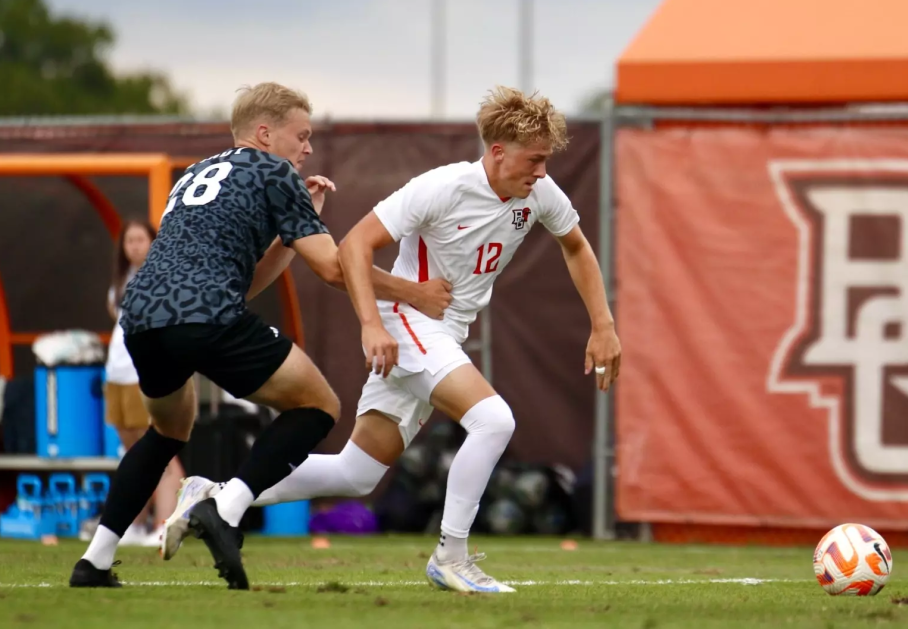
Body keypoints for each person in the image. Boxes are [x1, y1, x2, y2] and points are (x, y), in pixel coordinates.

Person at [164, 86, 622, 593]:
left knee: (356, 473)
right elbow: (354, 245)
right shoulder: (443, 187)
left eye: (545, 160)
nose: (541, 171)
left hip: (444, 331)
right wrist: (372, 325)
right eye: (534, 159)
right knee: (494, 420)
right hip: (409, 321)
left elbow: (576, 246)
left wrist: (603, 325)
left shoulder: (541, 193)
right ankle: (451, 556)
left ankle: (215, 493)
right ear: (497, 151)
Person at [69, 82, 452, 590]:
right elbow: (334, 269)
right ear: (266, 133)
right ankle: (225, 507)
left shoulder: (193, 174)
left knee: (167, 432)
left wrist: (295, 228)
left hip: (141, 314)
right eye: (302, 135)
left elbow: (243, 282)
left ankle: (94, 561)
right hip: (205, 313)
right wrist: (414, 292)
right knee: (318, 406)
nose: (307, 148)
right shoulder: (275, 171)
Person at [103, 219, 185, 548]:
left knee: (160, 451)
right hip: (117, 372)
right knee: (133, 453)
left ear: (153, 241)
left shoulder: (164, 275)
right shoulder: (120, 281)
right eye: (129, 241)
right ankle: (135, 524)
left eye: (141, 239)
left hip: (144, 374)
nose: (135, 246)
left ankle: (166, 524)